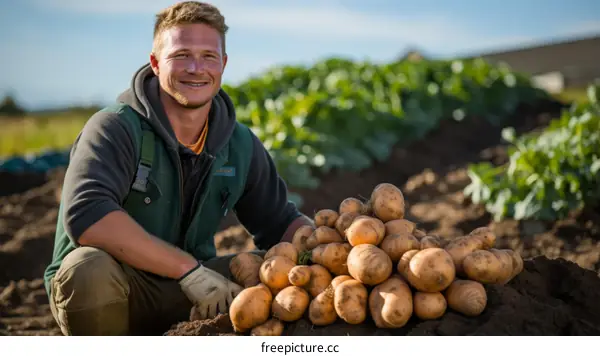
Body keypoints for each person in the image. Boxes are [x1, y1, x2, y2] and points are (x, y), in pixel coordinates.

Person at [43, 1, 313, 336]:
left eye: (208, 56)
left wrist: (335, 246)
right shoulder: (114, 127)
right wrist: (188, 270)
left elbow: (280, 222)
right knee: (87, 269)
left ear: (223, 64)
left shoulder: (239, 143)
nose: (196, 68)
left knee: (268, 268)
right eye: (181, 55)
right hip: (118, 290)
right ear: (156, 63)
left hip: (195, 291)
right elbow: (87, 216)